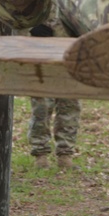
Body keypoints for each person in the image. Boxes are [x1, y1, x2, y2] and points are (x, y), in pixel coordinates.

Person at [25, 21, 80, 170]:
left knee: (69, 107)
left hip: (70, 52)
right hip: (43, 52)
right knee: (42, 108)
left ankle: (65, 155)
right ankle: (40, 155)